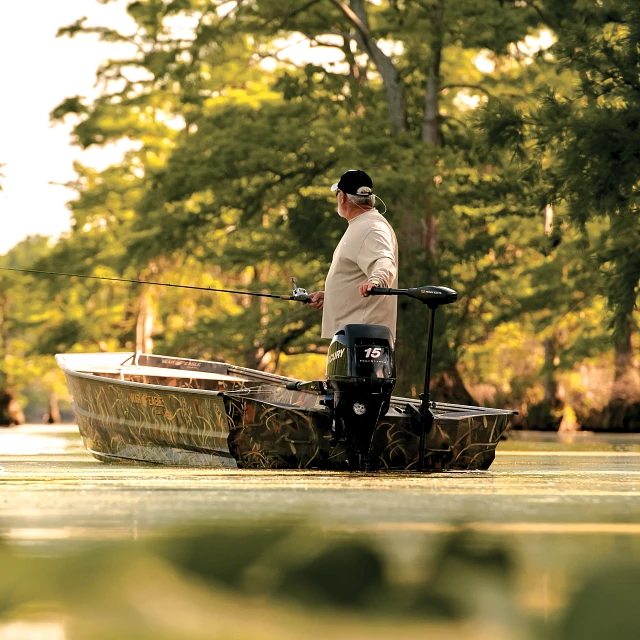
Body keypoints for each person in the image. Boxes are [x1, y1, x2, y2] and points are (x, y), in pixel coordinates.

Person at [308, 169, 399, 339]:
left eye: (337, 193)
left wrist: (376, 281)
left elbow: (385, 261)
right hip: (353, 336)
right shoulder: (363, 224)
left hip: (362, 339)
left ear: (342, 197)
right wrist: (332, 297)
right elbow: (357, 279)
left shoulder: (371, 227)